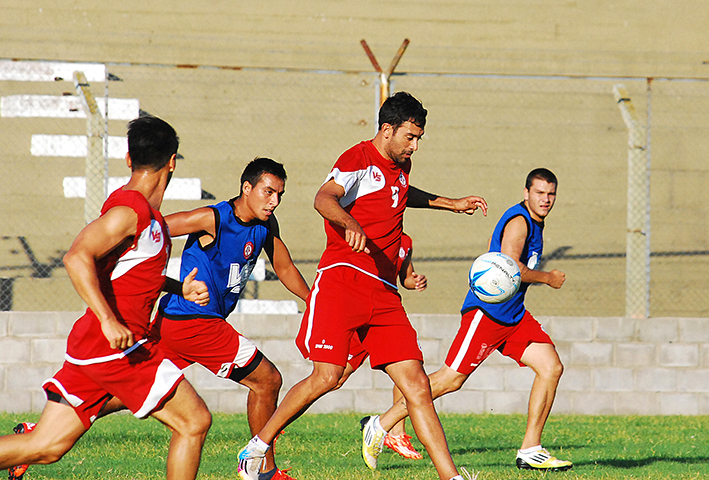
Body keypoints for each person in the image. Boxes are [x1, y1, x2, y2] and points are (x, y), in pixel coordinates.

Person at [236, 91, 487, 480]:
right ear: (387, 131)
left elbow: (400, 195)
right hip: (343, 280)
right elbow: (323, 198)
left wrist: (449, 203)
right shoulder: (357, 158)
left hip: (384, 294)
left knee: (418, 385)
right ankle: (258, 446)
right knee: (328, 376)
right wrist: (350, 224)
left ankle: (452, 478)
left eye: (419, 138)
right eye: (410, 137)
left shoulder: (402, 166)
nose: (415, 145)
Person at [0, 116, 213, 480]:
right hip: (116, 346)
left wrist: (180, 288)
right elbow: (76, 256)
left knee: (47, 446)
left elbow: (131, 274)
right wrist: (108, 319)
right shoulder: (130, 212)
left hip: (97, 347)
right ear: (173, 161)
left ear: (129, 159)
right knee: (194, 421)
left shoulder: (151, 220)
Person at [93, 157, 309, 480]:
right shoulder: (214, 218)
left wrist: (313, 300)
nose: (274, 201)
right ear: (246, 188)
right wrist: (112, 244)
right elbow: (157, 227)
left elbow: (286, 267)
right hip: (197, 322)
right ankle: (260, 468)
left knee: (133, 390)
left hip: (174, 323)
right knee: (267, 381)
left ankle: (44, 429)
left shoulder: (266, 226)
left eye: (279, 194)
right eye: (268, 192)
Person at [375, 168, 572, 472]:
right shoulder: (519, 222)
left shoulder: (536, 222)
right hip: (488, 313)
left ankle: (531, 449)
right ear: (526, 193)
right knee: (451, 380)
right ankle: (382, 424)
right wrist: (547, 277)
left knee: (551, 367)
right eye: (540, 193)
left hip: (513, 316)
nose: (546, 199)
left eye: (551, 194)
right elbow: (511, 267)